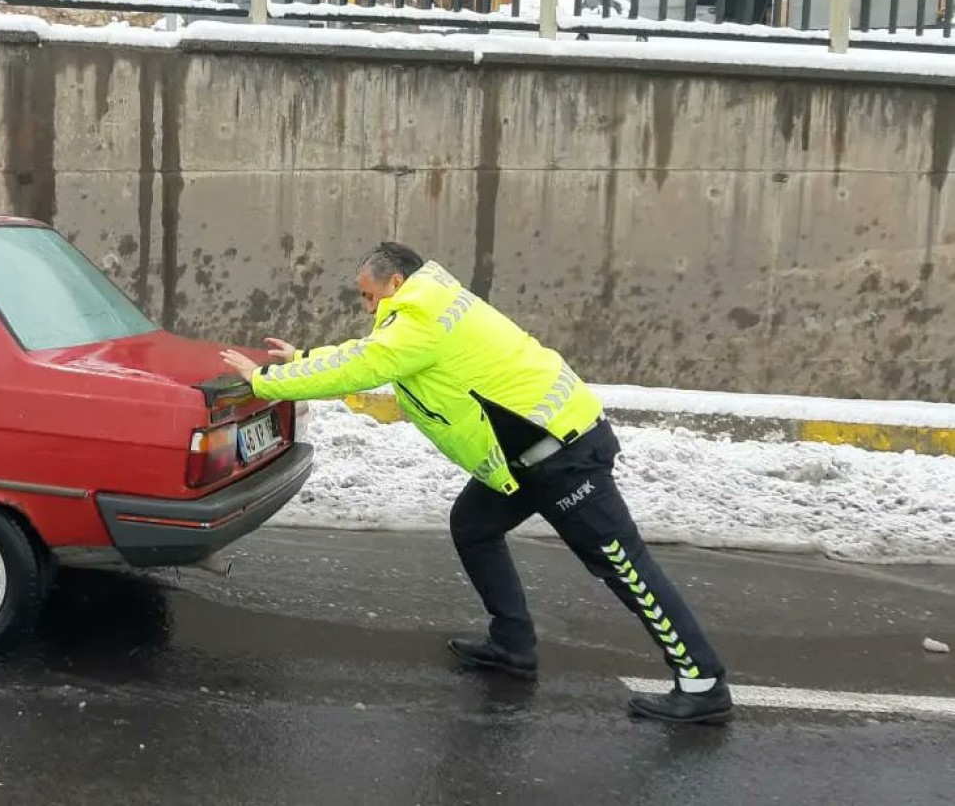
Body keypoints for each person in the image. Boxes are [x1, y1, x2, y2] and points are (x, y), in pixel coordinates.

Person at [219, 242, 731, 725]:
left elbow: (360, 364)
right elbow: (378, 365)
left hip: (562, 455)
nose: (367, 306)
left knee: (624, 565)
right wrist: (303, 357)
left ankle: (703, 683)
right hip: (525, 457)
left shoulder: (419, 317)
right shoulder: (433, 308)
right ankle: (512, 644)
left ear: (396, 282)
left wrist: (266, 380)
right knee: (473, 524)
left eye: (369, 295)